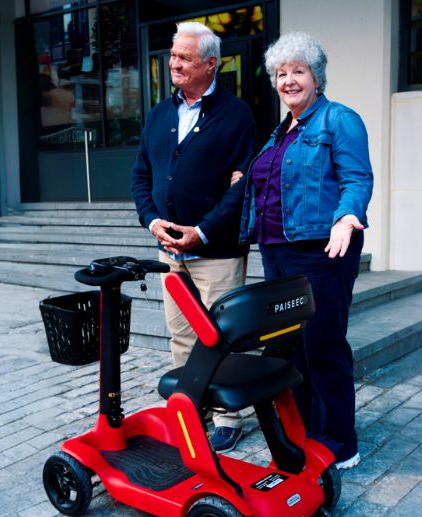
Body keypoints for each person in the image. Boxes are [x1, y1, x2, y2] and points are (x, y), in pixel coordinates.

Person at [238, 31, 373, 470]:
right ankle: (302, 433)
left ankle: (339, 442)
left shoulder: (339, 119)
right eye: (281, 73)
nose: (289, 80)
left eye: (299, 71)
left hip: (322, 251)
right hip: (276, 251)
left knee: (324, 346)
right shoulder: (279, 132)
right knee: (290, 348)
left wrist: (348, 215)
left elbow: (357, 177)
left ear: (317, 78)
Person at [131, 21, 257, 452]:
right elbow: (141, 176)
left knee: (221, 335)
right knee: (181, 334)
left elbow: (242, 189)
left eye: (184, 57)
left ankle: (228, 416)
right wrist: (153, 222)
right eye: (172, 56)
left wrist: (201, 232)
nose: (174, 64)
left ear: (210, 64)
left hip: (217, 252)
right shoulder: (161, 114)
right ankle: (193, 405)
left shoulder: (236, 115)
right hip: (171, 252)